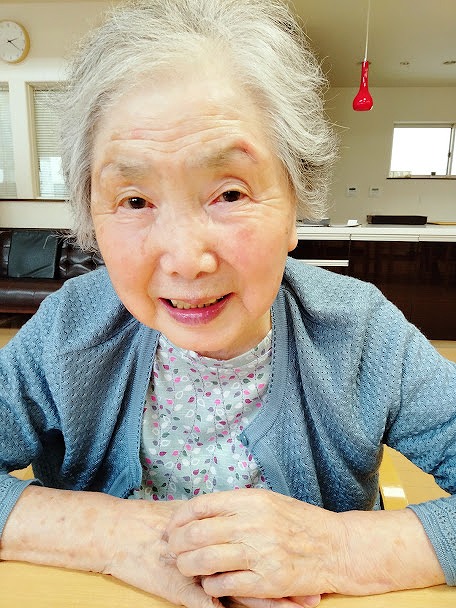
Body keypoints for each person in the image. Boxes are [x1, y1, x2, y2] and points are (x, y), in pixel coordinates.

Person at [0, 1, 455, 607]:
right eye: (134, 201)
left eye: (230, 193)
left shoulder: (362, 337)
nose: (185, 259)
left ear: (296, 203)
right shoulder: (68, 333)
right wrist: (107, 535)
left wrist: (340, 548)